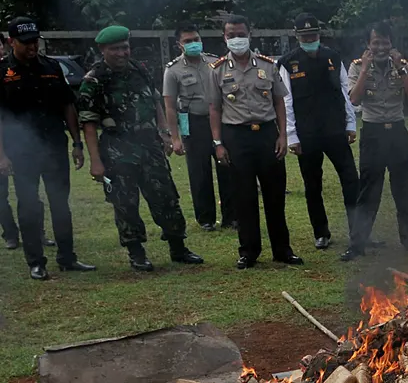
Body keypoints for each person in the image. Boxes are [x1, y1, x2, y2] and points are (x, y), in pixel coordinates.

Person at [78, 25, 202, 272]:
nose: (122, 53)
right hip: (117, 149)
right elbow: (89, 122)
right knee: (126, 204)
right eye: (115, 49)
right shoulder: (94, 79)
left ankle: (178, 248)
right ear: (103, 49)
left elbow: (155, 100)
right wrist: (95, 161)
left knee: (166, 197)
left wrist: (165, 132)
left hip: (149, 146)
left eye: (125, 47)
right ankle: (136, 252)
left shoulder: (139, 69)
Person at [0, 17, 92, 279]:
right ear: (11, 42)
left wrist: (77, 143)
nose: (32, 48)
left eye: (35, 42)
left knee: (60, 204)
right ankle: (36, 262)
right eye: (26, 43)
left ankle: (67, 257)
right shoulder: (3, 73)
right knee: (29, 206)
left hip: (54, 145)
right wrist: (2, 155)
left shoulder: (51, 66)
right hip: (21, 150)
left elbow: (67, 106)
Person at [208, 14, 301, 269]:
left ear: (250, 34)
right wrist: (218, 142)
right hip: (236, 137)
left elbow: (279, 101)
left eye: (241, 34)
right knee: (243, 197)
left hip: (267, 136)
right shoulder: (217, 70)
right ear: (224, 37)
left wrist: (283, 135)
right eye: (231, 35)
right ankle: (249, 252)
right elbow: (214, 109)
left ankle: (282, 250)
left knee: (275, 197)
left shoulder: (268, 65)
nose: (237, 39)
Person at [279, 13, 359, 252]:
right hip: (307, 134)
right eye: (304, 35)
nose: (309, 38)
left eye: (312, 34)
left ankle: (357, 232)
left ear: (319, 34)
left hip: (335, 130)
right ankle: (321, 232)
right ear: (297, 36)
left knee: (351, 180)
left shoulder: (333, 57)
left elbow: (345, 93)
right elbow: (286, 101)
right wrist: (292, 135)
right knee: (313, 185)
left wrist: (350, 124)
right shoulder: (287, 62)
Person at [346, 21, 408, 260]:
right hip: (372, 132)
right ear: (368, 45)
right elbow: (355, 100)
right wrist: (366, 69)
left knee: (404, 189)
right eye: (376, 42)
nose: (381, 47)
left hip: (397, 132)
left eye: (385, 42)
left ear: (392, 44)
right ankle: (358, 245)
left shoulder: (401, 65)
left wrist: (400, 69)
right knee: (369, 190)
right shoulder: (357, 67)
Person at [164, 22, 233, 232]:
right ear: (179, 45)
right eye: (188, 41)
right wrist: (175, 138)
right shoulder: (173, 70)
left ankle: (232, 216)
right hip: (193, 123)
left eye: (196, 39)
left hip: (220, 122)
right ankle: (206, 219)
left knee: (227, 168)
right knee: (199, 172)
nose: (193, 44)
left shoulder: (215, 63)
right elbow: (169, 107)